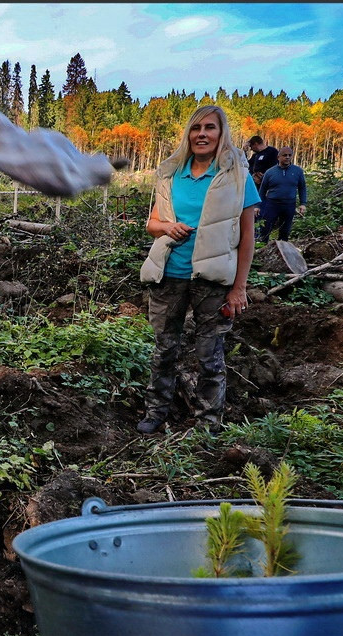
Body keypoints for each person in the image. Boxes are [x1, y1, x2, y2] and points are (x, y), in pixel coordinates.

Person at [138, 105, 260, 436]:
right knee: (165, 349)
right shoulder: (171, 174)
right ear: (188, 135)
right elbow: (151, 224)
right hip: (170, 273)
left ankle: (209, 422)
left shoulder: (237, 177)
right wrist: (167, 227)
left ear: (221, 135)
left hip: (213, 280)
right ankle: (156, 411)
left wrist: (239, 288)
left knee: (210, 356)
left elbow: (248, 238)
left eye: (209, 128)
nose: (201, 134)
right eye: (195, 128)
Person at [256, 146, 307, 242]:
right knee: (266, 228)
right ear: (278, 157)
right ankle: (262, 250)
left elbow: (302, 188)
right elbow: (262, 190)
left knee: (285, 231)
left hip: (289, 204)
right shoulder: (270, 172)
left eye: (289, 155)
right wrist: (257, 206)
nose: (287, 157)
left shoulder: (297, 171)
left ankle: (282, 251)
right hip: (272, 204)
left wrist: (303, 203)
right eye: (284, 155)